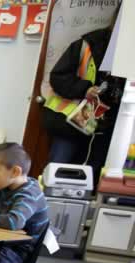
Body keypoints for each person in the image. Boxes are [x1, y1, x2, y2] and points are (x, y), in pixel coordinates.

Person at [40, 25, 124, 177]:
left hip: (106, 129)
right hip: (72, 124)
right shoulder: (88, 44)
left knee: (91, 176)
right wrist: (85, 89)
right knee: (57, 171)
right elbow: (58, 77)